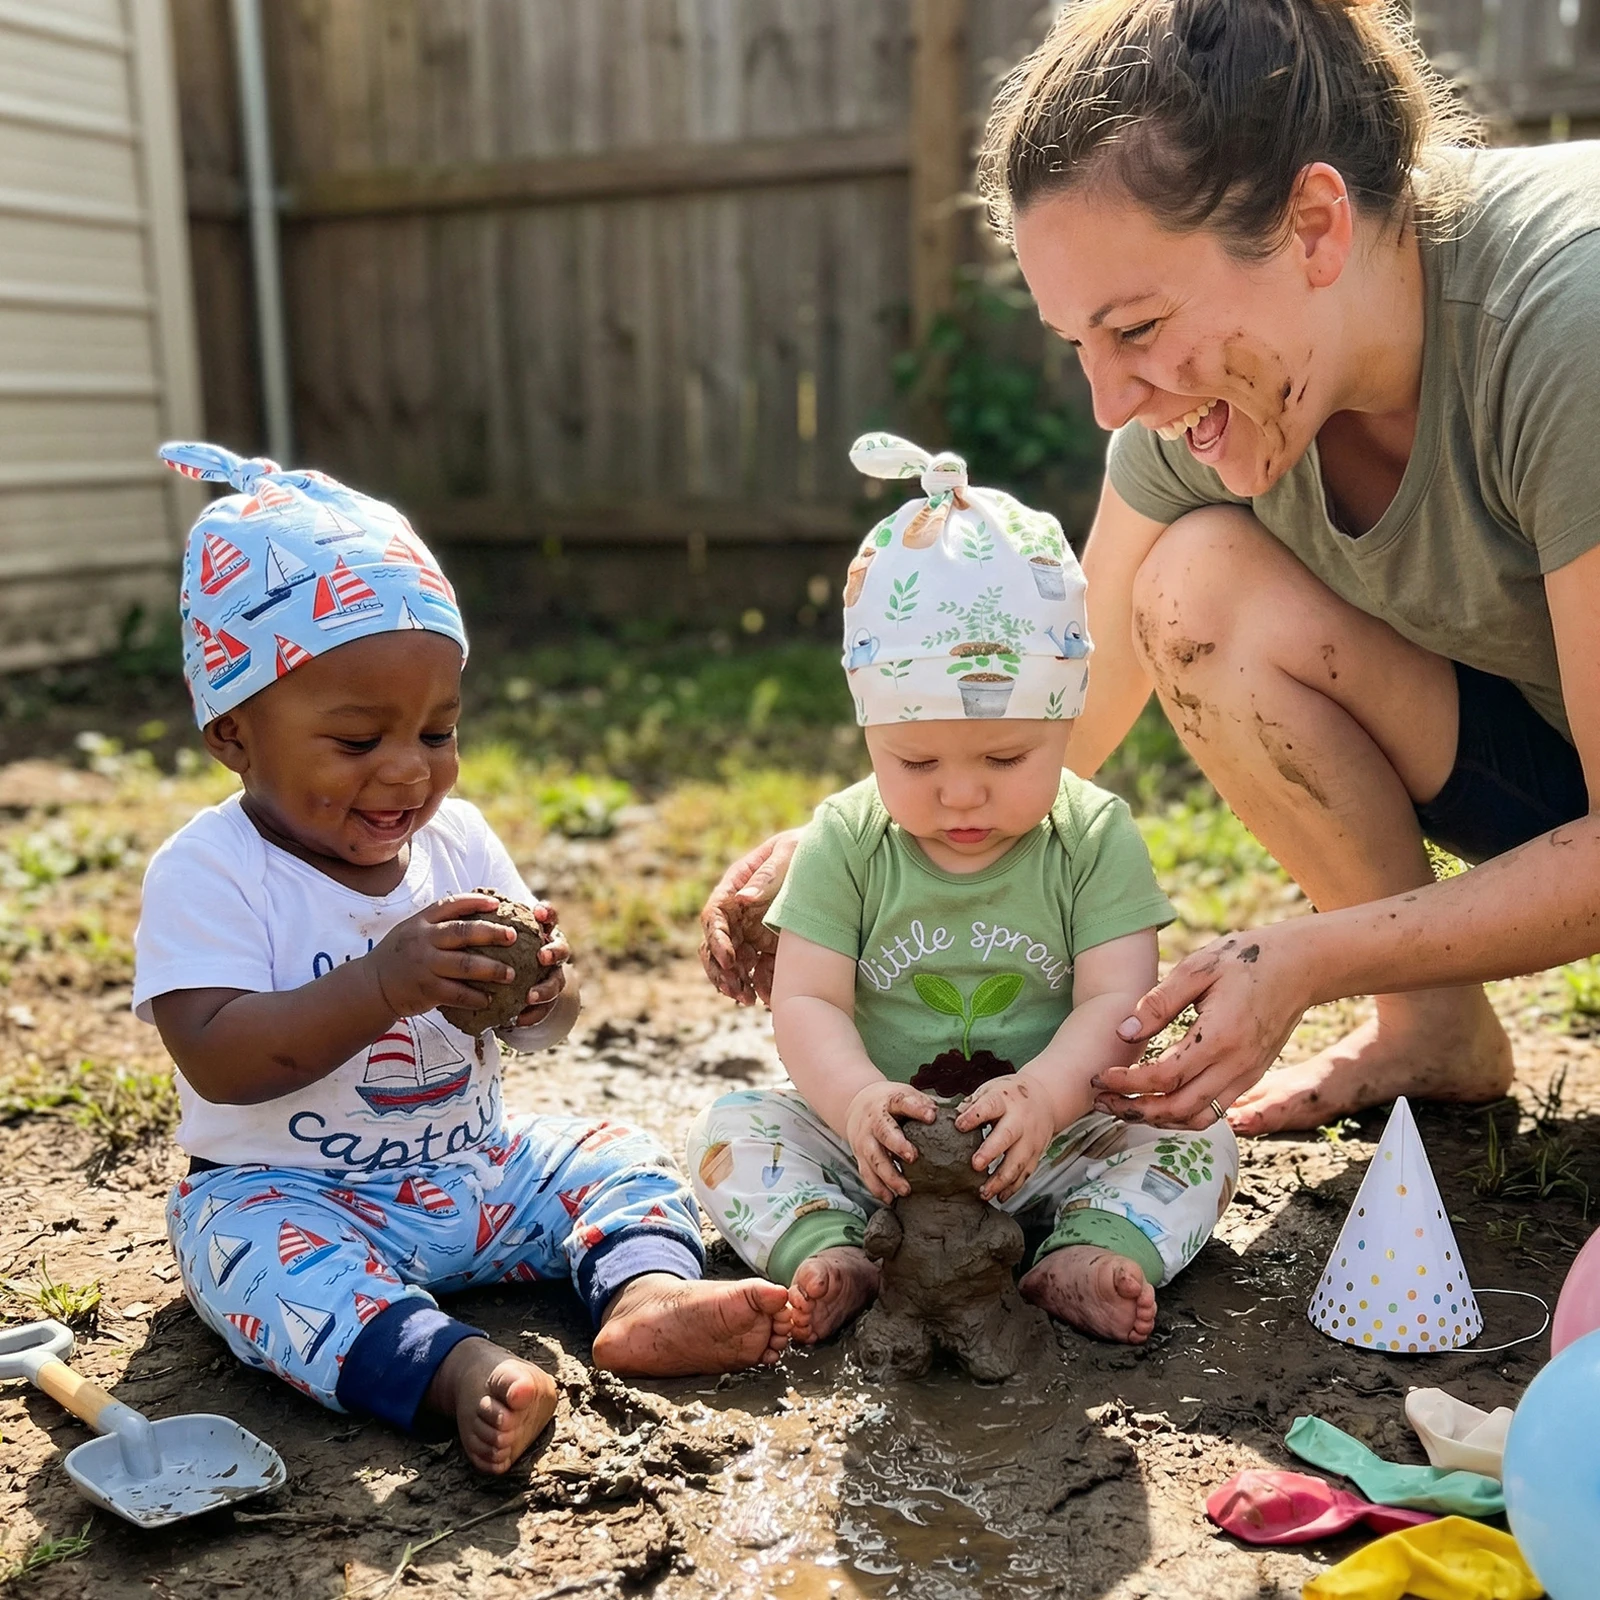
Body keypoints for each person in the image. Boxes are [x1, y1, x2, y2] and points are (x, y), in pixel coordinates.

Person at [703, 0, 1600, 1139]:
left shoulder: (1570, 319)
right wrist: (858, 837)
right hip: (1550, 772)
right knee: (1189, 588)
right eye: (1078, 344)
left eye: (1133, 327)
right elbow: (1067, 697)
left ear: (1315, 225)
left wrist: (1303, 958)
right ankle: (1430, 1027)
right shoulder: (1206, 411)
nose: (1110, 403)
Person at [138, 443, 790, 1476]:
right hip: (292, 1193)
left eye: (438, 730)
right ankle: (457, 1370)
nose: (408, 768)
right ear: (233, 732)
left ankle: (644, 1295)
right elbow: (216, 1056)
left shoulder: (458, 841)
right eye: (356, 741)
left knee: (611, 1147)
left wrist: (540, 993)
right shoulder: (208, 872)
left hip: (471, 1171)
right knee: (250, 1261)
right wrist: (382, 984)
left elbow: (551, 1029)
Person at [688, 436, 1237, 1347]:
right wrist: (858, 1099)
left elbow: (1117, 1001)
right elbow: (809, 1000)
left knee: (1197, 1137)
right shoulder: (846, 838)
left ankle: (1088, 1250)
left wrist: (1050, 1097)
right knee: (733, 1129)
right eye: (916, 760)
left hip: (1052, 1143)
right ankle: (839, 1250)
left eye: (1005, 758)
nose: (961, 792)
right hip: (884, 1156)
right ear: (868, 731)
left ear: (1065, 718)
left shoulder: (1093, 836)